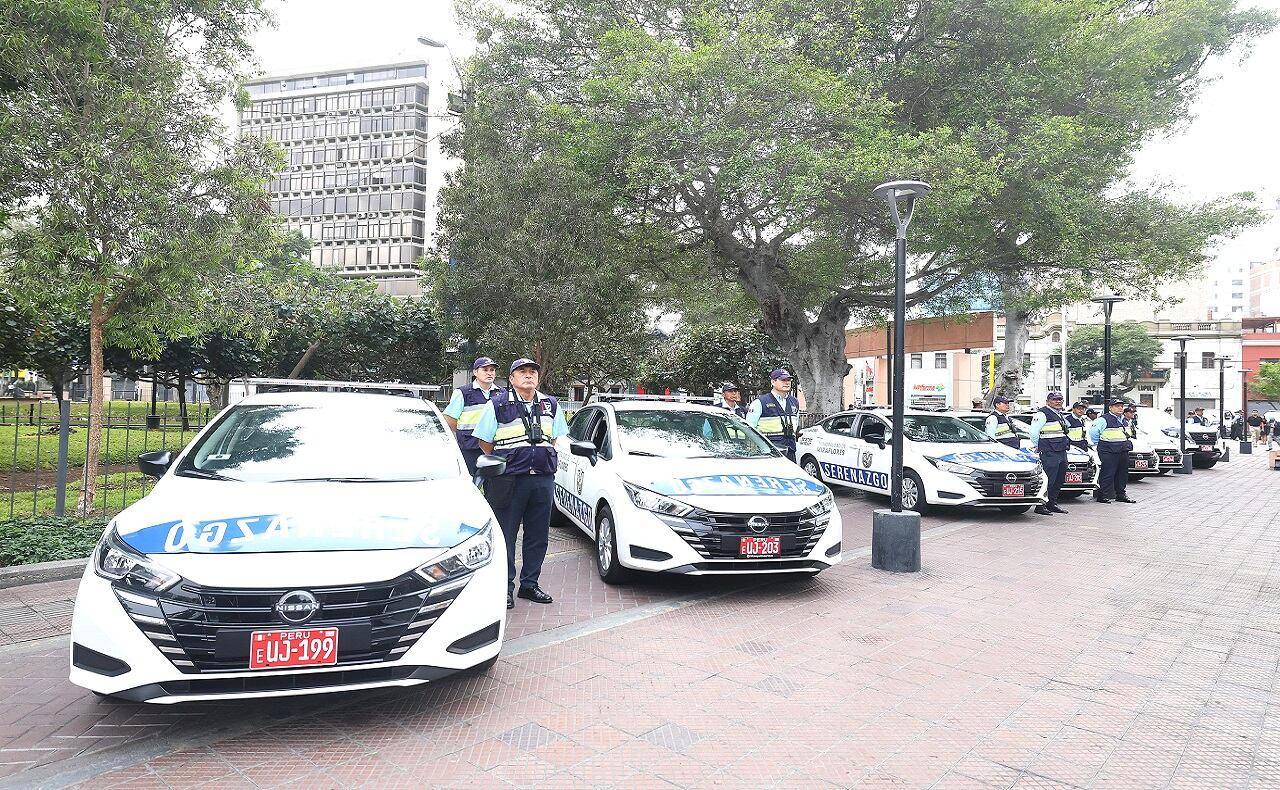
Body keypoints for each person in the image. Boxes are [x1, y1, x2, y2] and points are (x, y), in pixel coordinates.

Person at [473, 358, 569, 610]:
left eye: (532, 372)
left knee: (538, 535)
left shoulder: (551, 404)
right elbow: (485, 442)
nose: (529, 376)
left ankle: (530, 585)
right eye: (522, 372)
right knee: (506, 534)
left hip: (542, 478)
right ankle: (504, 587)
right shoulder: (497, 404)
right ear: (512, 379)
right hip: (509, 479)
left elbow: (555, 438)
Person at [442, 356, 501, 476]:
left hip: (493, 448)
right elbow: (450, 419)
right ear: (475, 372)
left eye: (492, 370)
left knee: (493, 486)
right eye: (485, 370)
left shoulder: (502, 393)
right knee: (470, 484)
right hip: (469, 448)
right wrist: (464, 434)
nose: (489, 373)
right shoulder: (463, 392)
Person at [1028, 392, 1071, 515]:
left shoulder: (1059, 414)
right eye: (1055, 399)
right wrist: (1039, 446)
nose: (1058, 401)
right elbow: (1034, 433)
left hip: (1061, 450)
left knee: (1059, 479)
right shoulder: (1042, 414)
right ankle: (1041, 506)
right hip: (1049, 451)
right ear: (1048, 401)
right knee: (1049, 479)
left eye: (1060, 399)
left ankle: (1052, 503)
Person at [1090, 398, 1136, 504]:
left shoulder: (1125, 420)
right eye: (1117, 406)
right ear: (1110, 408)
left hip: (1123, 450)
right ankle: (1103, 495)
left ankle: (1121, 494)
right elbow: (1093, 432)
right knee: (1108, 473)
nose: (1120, 408)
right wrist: (1100, 444)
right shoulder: (1103, 419)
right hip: (1108, 450)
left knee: (1122, 474)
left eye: (1121, 406)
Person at [748, 369, 800, 461]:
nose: (787, 383)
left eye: (788, 380)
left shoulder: (794, 402)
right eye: (783, 380)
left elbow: (796, 424)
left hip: (790, 450)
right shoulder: (760, 402)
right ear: (773, 382)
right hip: (768, 452)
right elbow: (749, 429)